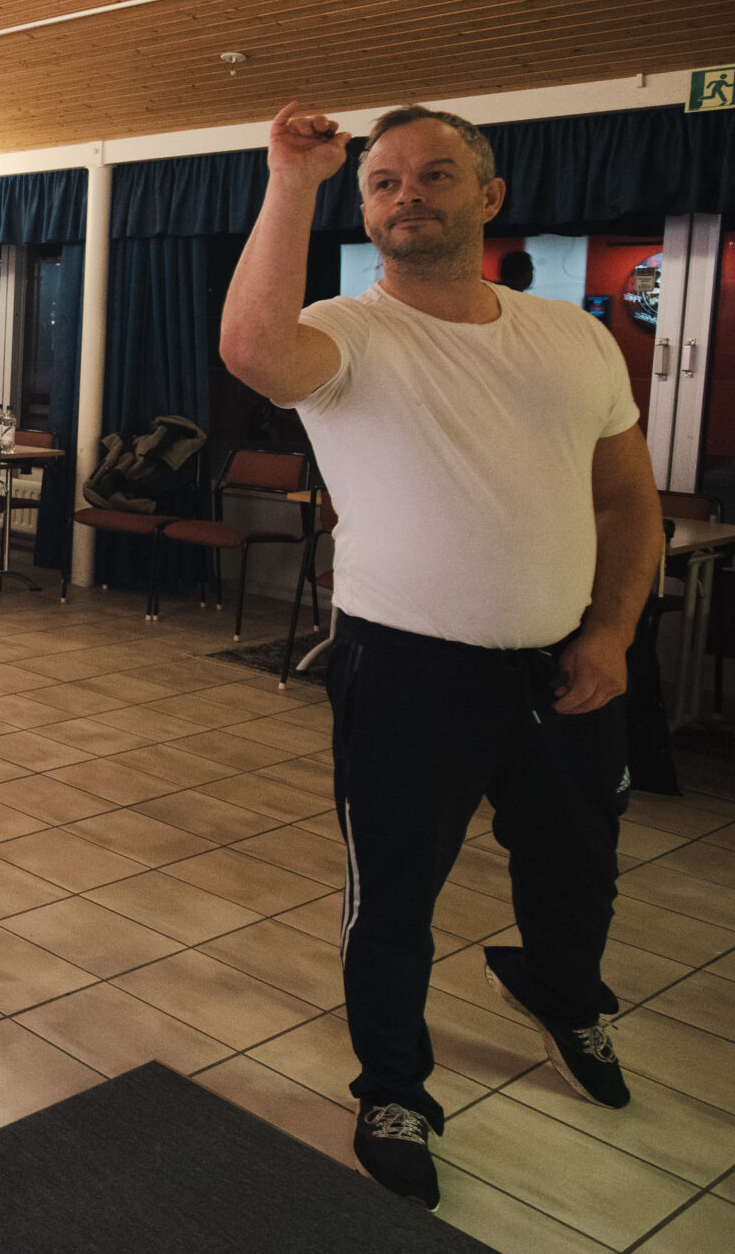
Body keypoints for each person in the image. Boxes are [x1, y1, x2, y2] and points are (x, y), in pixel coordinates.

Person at [218, 102, 662, 1210]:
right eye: (383, 182)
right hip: (408, 671)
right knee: (395, 896)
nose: (406, 194)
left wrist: (611, 631)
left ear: (489, 195)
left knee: (579, 866)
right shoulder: (348, 334)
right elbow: (252, 350)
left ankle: (563, 996)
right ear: (366, 209)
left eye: (434, 174)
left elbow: (626, 501)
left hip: (566, 662)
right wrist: (292, 179)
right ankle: (393, 1088)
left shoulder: (573, 338)